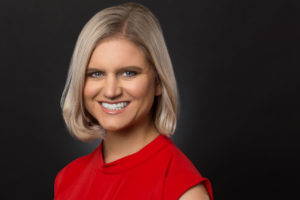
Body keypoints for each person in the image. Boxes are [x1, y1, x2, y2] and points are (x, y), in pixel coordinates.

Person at [54, 2, 213, 200]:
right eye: (96, 74)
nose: (111, 91)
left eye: (129, 73)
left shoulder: (182, 190)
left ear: (157, 81)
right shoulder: (68, 179)